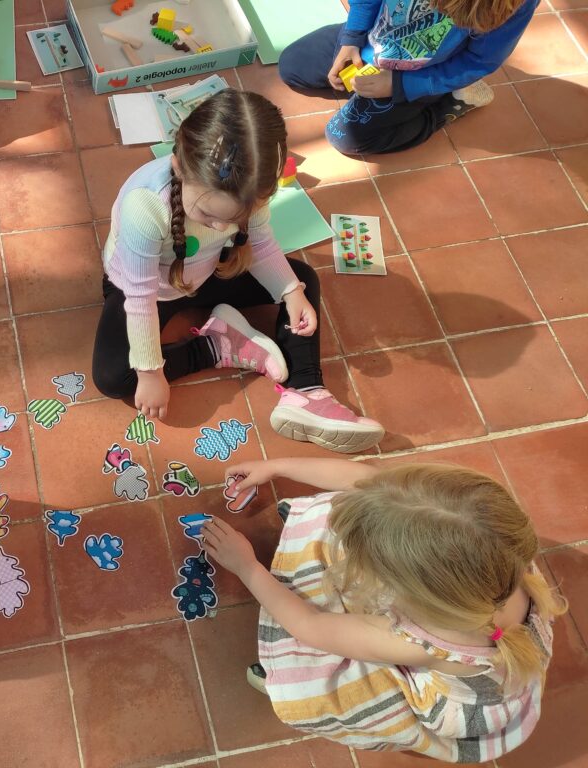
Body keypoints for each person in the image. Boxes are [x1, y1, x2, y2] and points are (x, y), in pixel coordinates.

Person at [205, 459, 565, 762]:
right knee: (369, 511)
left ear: (414, 595)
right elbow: (369, 479)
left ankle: (285, 684)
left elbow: (310, 625)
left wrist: (247, 567)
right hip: (492, 655)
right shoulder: (496, 554)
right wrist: (277, 466)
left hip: (454, 699)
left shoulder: (423, 641)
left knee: (323, 688)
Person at [92, 89, 384, 454]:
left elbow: (261, 244)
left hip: (209, 272)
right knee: (114, 376)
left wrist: (290, 292)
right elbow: (140, 298)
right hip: (150, 289)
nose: (220, 227)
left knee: (303, 281)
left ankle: (307, 392)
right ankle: (215, 346)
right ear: (180, 167)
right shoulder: (146, 206)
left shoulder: (251, 188)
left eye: (233, 219)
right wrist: (151, 373)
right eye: (208, 215)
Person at [278, 0, 537, 156]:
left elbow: (480, 61)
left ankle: (448, 103)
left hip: (425, 73)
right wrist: (352, 36)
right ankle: (377, 94)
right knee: (292, 66)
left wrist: (401, 85)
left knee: (343, 137)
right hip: (374, 40)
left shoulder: (515, 5)